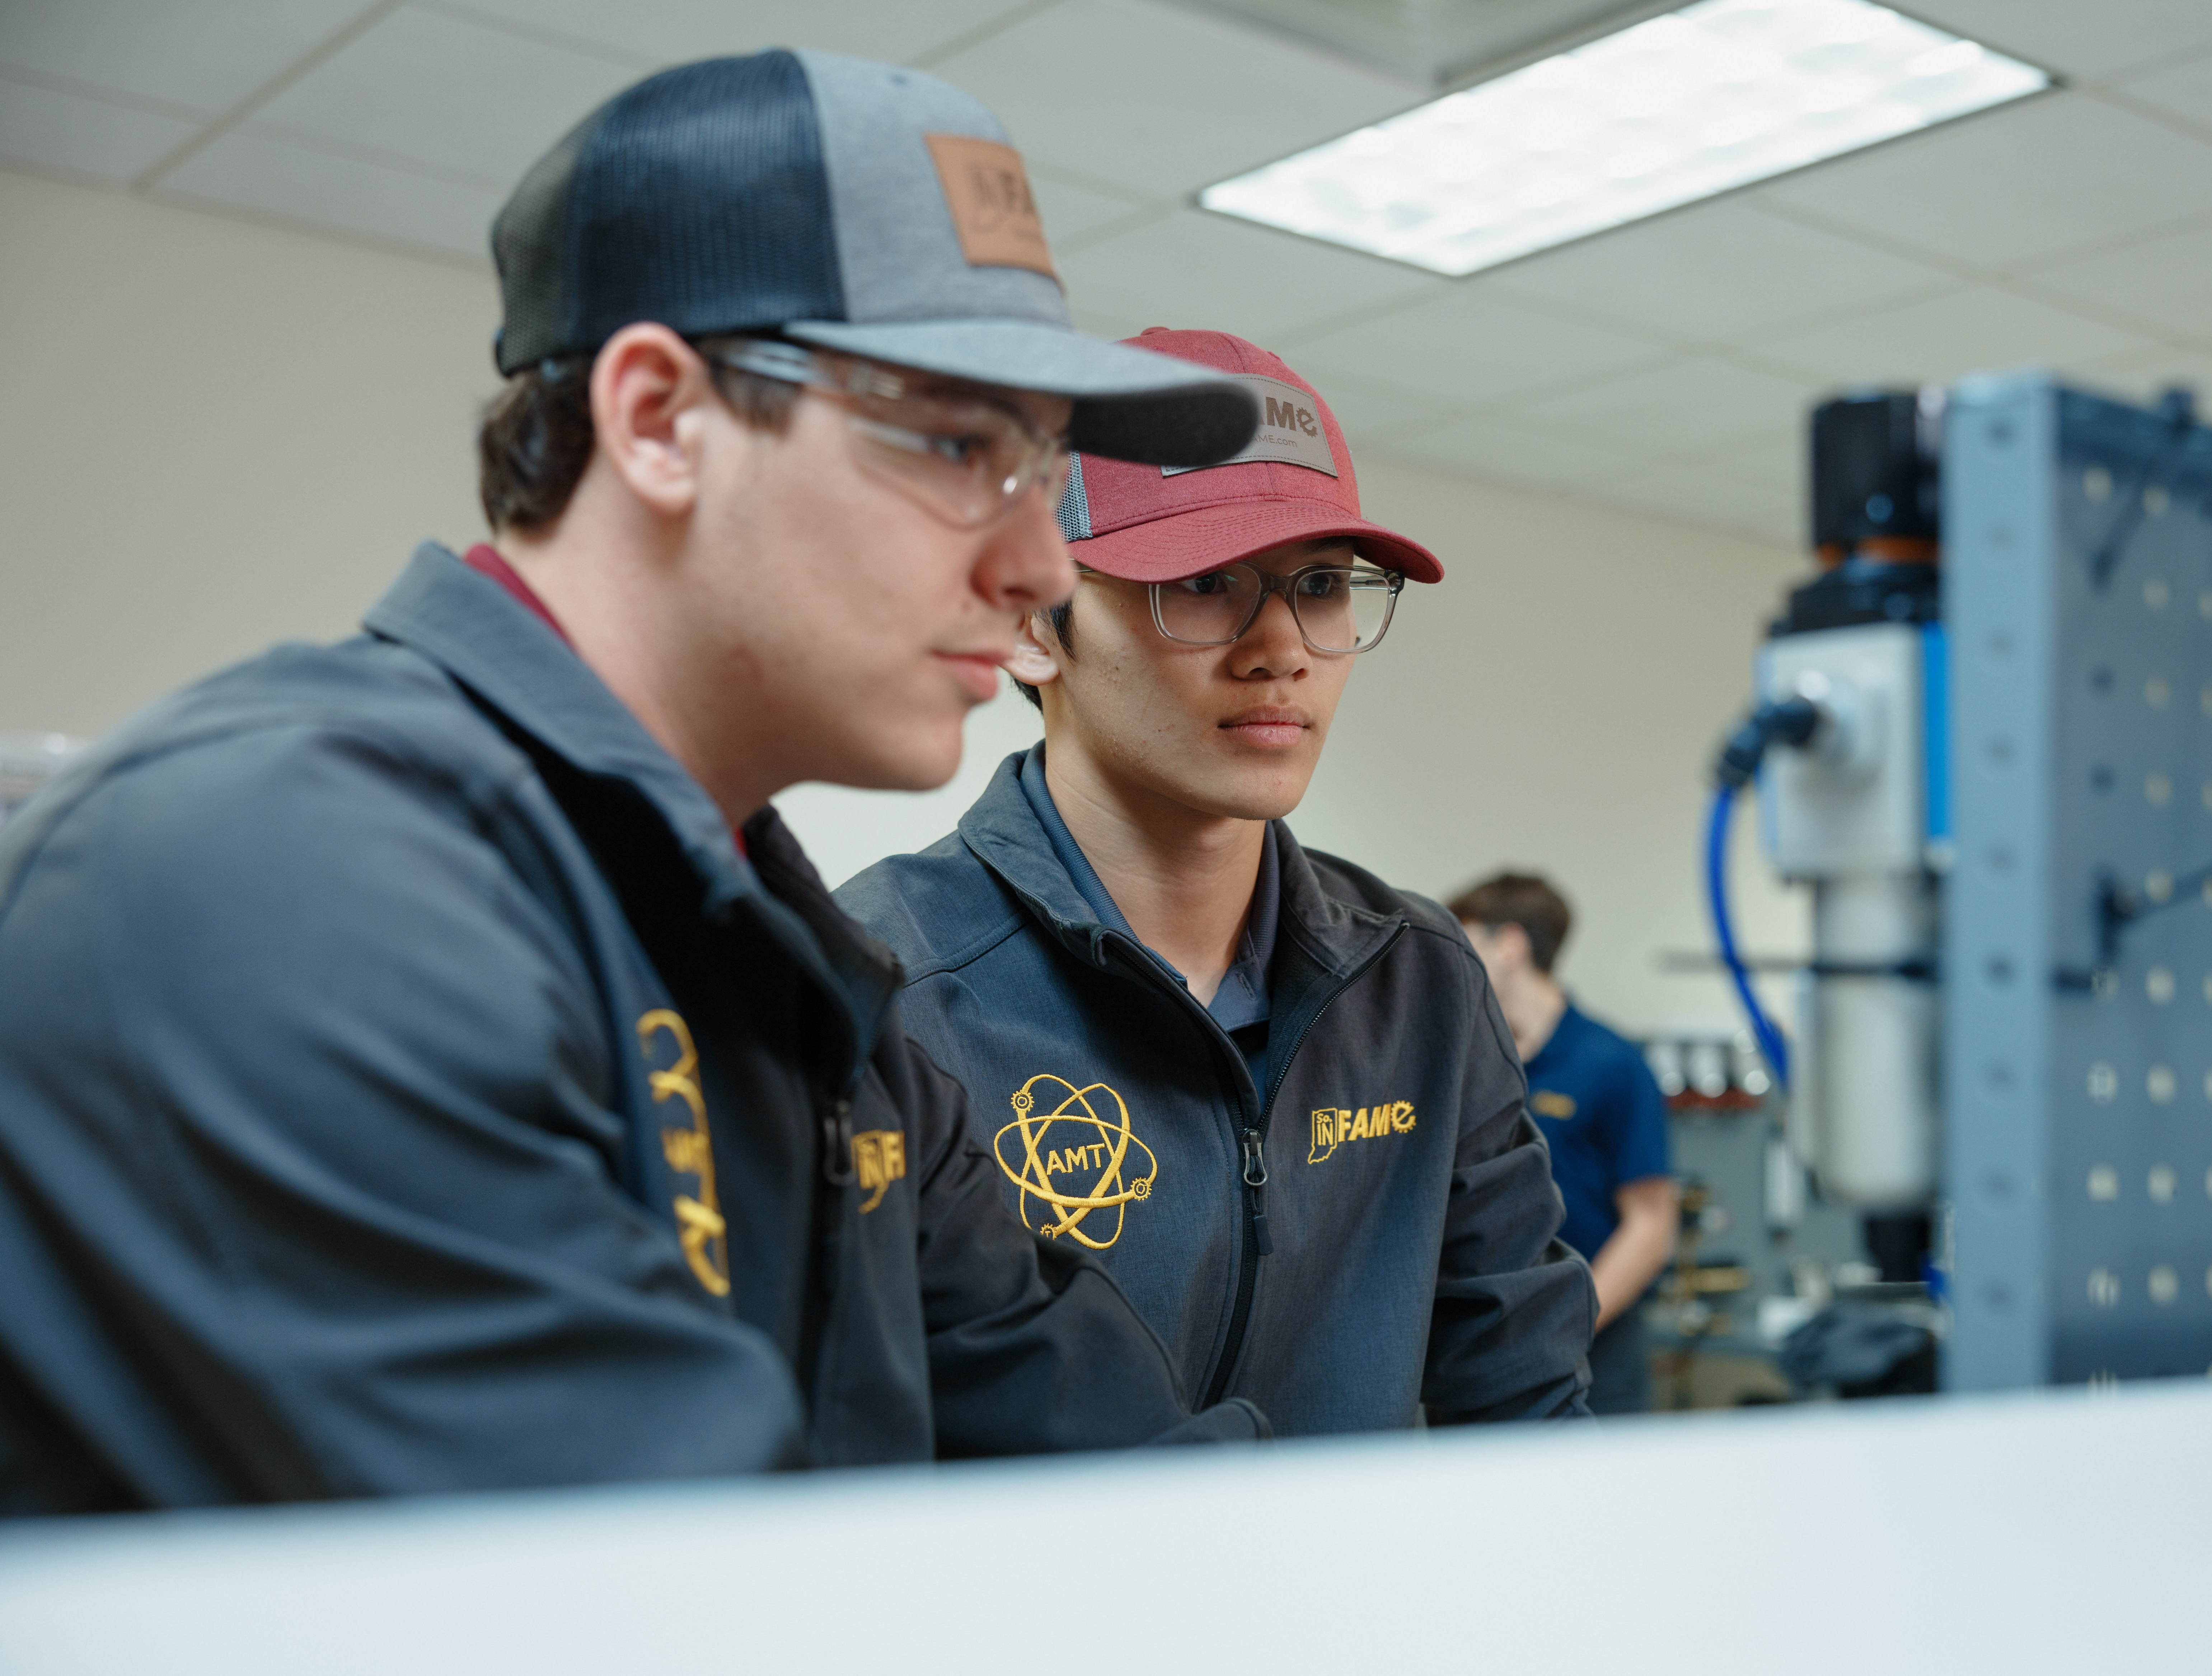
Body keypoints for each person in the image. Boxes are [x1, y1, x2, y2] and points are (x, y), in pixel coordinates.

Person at [0, 50, 1272, 1514]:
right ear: (661, 418)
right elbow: (649, 1605)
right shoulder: (288, 875)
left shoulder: (791, 972)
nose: (1042, 567)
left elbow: (1112, 1458)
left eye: (1044, 473)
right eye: (958, 444)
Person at [837, 330, 1593, 1434]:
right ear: (1028, 624)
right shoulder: (887, 985)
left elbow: (1523, 1402)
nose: (1280, 645)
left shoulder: (1418, 982)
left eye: (1322, 585)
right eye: (1202, 582)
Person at [1450, 873, 1676, 1415]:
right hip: (1479, 1346)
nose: (1451, 959)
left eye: (1464, 941)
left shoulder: (1610, 1063)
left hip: (1595, 1347)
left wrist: (1571, 1321)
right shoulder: (1465, 1063)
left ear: (1510, 945)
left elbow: (1651, 1224)